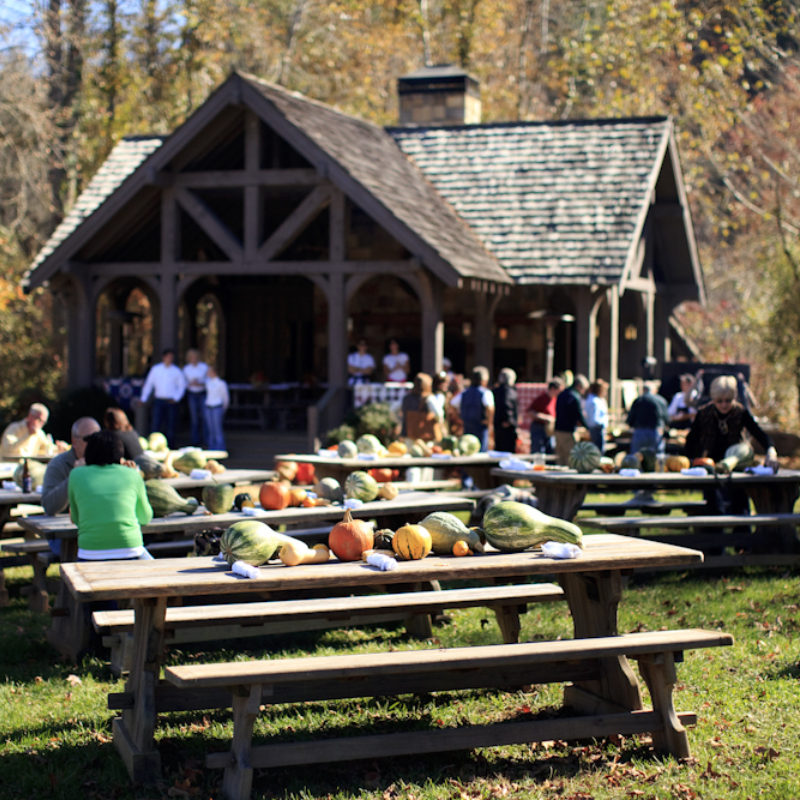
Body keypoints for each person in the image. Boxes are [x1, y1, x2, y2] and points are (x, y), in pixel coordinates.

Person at [685, 375, 778, 515]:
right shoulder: (704, 413)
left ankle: (742, 528)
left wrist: (771, 452)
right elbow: (691, 440)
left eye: (728, 400)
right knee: (714, 508)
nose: (724, 405)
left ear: (734, 397)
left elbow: (760, 434)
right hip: (712, 465)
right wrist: (692, 460)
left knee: (740, 508)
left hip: (737, 464)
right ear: (713, 399)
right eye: (719, 401)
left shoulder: (740, 412)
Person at [68, 430, 153, 561]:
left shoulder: (76, 475)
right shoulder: (132, 475)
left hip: (89, 552)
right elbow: (145, 517)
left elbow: (76, 519)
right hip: (130, 549)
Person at [40, 417, 102, 556]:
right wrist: (74, 476)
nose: (95, 443)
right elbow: (49, 506)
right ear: (74, 441)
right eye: (89, 439)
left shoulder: (105, 463)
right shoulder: (58, 464)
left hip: (97, 530)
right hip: (63, 535)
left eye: (98, 438)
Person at [139, 349, 186, 448]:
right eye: (168, 357)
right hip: (159, 401)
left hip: (171, 402)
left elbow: (182, 386)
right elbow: (149, 384)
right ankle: (153, 445)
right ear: (163, 357)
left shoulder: (176, 371)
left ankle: (170, 446)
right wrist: (143, 398)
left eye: (171, 357)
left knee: (171, 425)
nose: (170, 359)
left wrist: (176, 398)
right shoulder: (156, 369)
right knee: (156, 424)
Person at [451, 366, 495, 452]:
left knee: (467, 450)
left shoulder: (464, 392)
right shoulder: (486, 392)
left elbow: (452, 404)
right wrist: (489, 422)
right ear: (484, 380)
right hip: (480, 427)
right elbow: (490, 408)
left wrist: (459, 418)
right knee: (481, 451)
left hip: (467, 425)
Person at [553, 374, 590, 465]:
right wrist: (587, 427)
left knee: (560, 456)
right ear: (579, 386)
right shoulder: (574, 396)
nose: (583, 392)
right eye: (583, 389)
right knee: (570, 456)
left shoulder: (562, 394)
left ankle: (558, 472)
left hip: (558, 429)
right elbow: (578, 414)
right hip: (567, 430)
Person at [627, 384, 669, 455]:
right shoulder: (661, 400)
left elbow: (630, 418)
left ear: (644, 390)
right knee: (658, 455)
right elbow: (666, 418)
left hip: (640, 431)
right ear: (655, 390)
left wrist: (631, 425)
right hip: (656, 431)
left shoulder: (638, 400)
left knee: (636, 455)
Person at [527, 378, 563, 455]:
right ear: (553, 389)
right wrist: (546, 417)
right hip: (538, 427)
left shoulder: (555, 399)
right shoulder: (542, 398)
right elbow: (530, 412)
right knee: (538, 450)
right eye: (559, 390)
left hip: (549, 429)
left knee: (550, 449)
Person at [400, 372, 440, 440]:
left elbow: (393, 410)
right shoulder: (429, 398)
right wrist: (437, 421)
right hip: (425, 435)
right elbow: (439, 413)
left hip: (408, 434)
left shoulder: (406, 398)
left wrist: (400, 420)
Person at [183, 348, 208, 446]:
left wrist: (201, 383)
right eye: (192, 357)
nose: (194, 359)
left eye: (195, 357)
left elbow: (209, 380)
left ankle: (206, 440)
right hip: (192, 394)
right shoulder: (186, 369)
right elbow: (183, 382)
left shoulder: (204, 367)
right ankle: (195, 441)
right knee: (194, 419)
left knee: (204, 417)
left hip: (202, 393)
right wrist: (190, 384)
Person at [203, 365, 230, 451]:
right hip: (208, 407)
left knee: (218, 430)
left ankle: (220, 449)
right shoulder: (208, 382)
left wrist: (223, 408)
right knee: (211, 430)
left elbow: (225, 398)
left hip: (217, 407)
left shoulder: (221, 383)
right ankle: (211, 449)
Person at [493, 367, 519, 453]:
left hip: (498, 424)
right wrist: (508, 419)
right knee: (507, 450)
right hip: (506, 426)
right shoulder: (508, 391)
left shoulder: (496, 390)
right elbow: (506, 404)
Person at [584, 379, 609, 453]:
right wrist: (601, 424)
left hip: (597, 428)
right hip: (597, 429)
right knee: (598, 451)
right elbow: (594, 419)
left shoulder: (596, 400)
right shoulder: (594, 401)